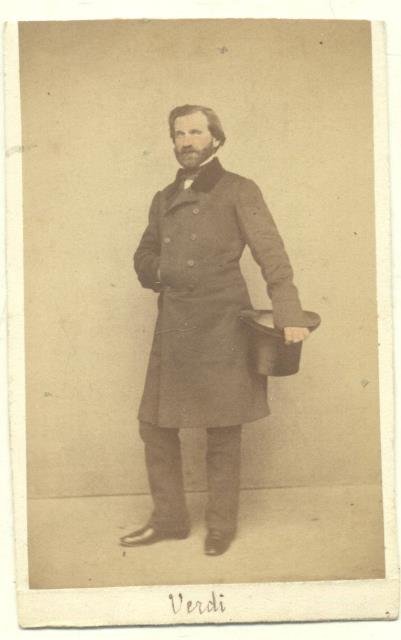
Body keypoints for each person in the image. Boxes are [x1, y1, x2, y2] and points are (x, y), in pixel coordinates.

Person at [120, 104, 310, 555]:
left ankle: (221, 526)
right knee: (155, 425)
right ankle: (170, 520)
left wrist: (290, 313)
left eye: (196, 132)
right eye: (179, 134)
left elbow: (271, 253)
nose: (186, 141)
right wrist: (161, 271)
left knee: (222, 427)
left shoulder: (239, 189)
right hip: (174, 324)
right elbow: (143, 255)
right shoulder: (163, 198)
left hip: (222, 324)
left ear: (216, 139)